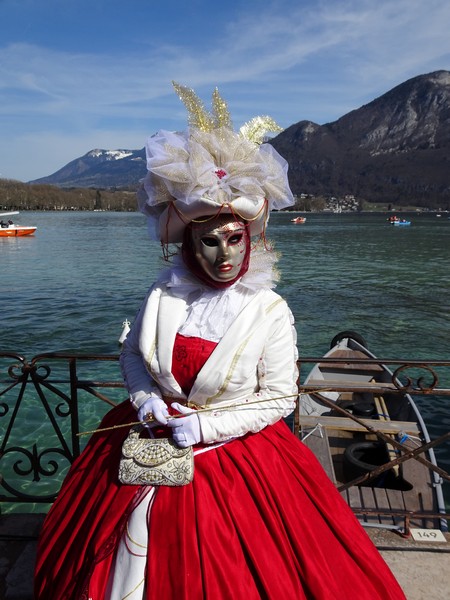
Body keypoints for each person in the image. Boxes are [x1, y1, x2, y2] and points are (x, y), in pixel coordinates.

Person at [34, 83, 406, 599]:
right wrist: (144, 398)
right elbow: (132, 354)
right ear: (188, 245)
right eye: (209, 241)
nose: (223, 255)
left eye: (234, 239)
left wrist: (204, 426)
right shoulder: (165, 295)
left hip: (237, 457)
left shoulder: (268, 309)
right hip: (149, 438)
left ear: (249, 238)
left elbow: (279, 396)